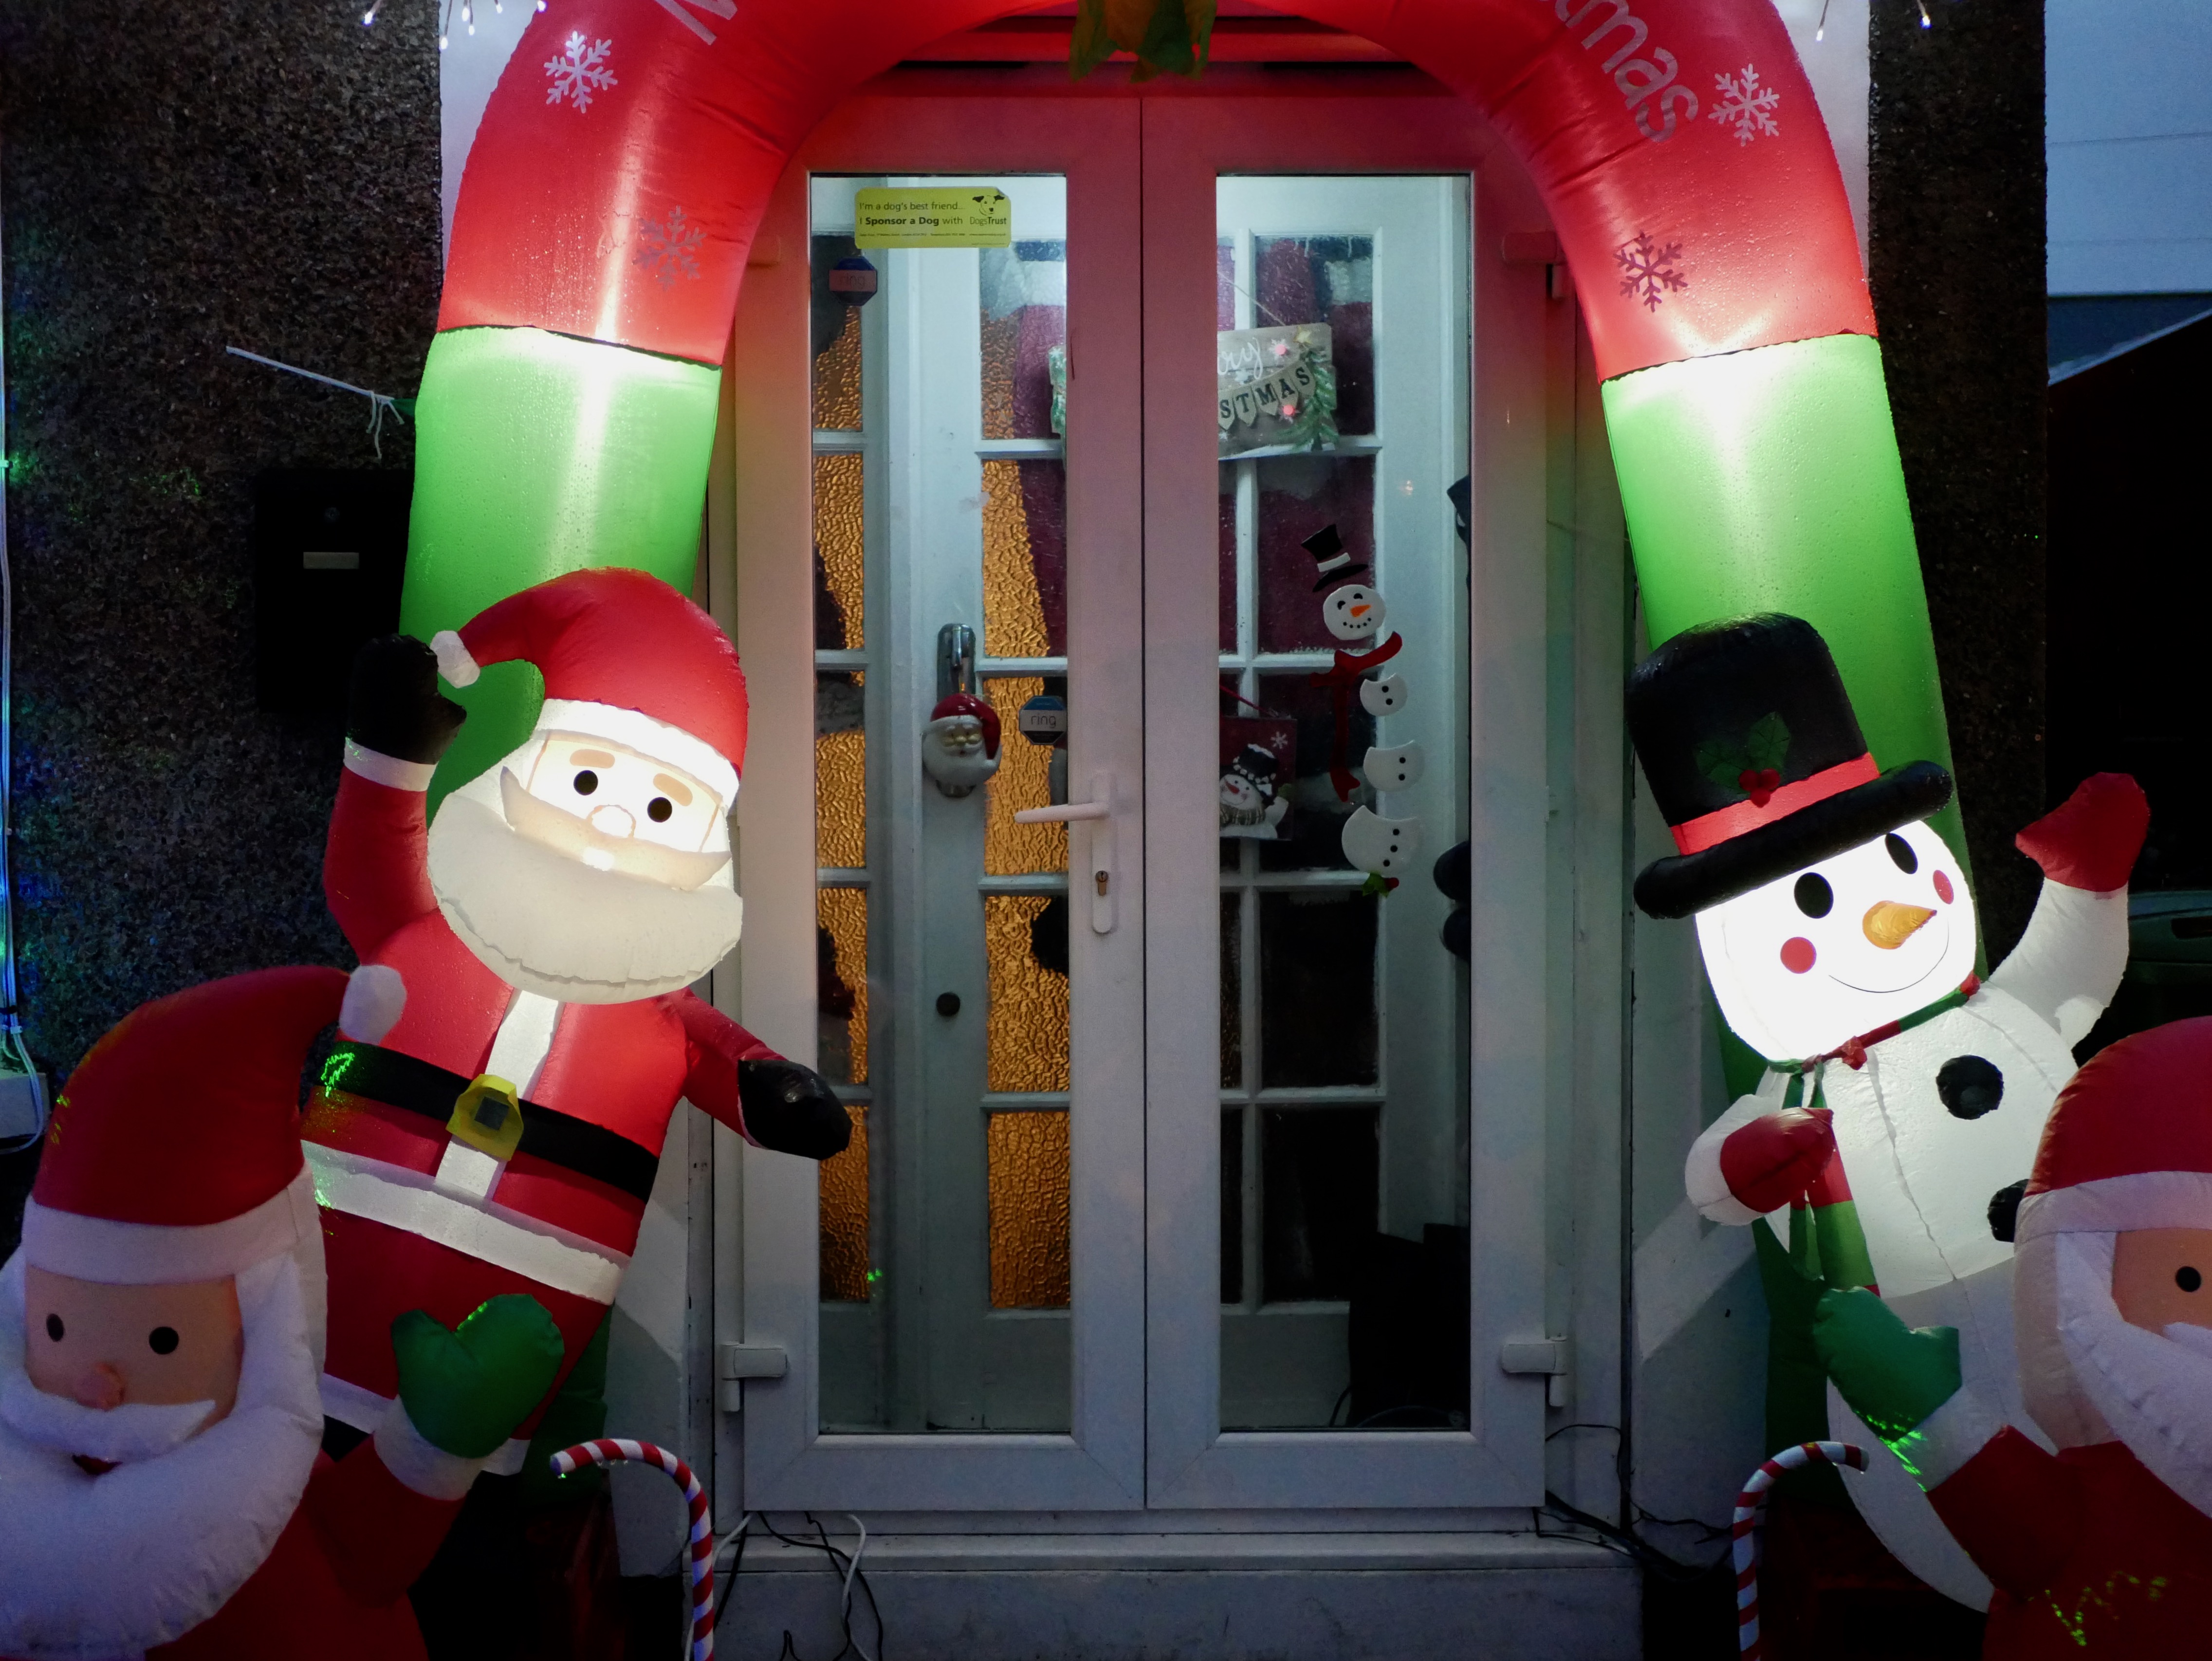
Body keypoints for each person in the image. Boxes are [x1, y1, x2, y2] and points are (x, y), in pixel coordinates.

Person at [0, 966, 560, 1660]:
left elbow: (367, 1553)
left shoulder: (274, 1499)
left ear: (261, 1325)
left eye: (163, 1339)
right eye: (55, 1329)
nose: (96, 1386)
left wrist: (438, 1438)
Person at [1816, 1015, 2212, 1655]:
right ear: (2076, 1282)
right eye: (2188, 1279)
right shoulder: (2107, 1491)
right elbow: (2021, 1530)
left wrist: (1925, 1414)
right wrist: (1927, 1413)